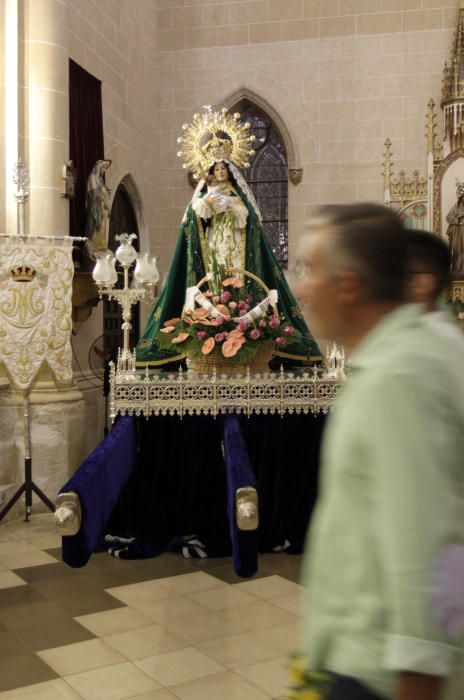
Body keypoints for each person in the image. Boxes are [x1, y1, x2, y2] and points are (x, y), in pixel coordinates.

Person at [295, 203, 464, 700]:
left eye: (311, 270)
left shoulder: (399, 379)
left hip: (378, 675)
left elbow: (427, 546)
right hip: (356, 656)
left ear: (348, 286)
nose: (302, 287)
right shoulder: (399, 357)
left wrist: (419, 675)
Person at [136, 107, 320, 367]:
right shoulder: (204, 194)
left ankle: (239, 312)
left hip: (235, 244)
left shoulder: (238, 195)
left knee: (236, 275)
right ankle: (211, 312)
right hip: (212, 247)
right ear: (210, 170)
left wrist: (233, 207)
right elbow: (193, 220)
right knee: (215, 278)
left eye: (225, 168)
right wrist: (207, 205)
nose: (221, 172)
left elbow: (249, 221)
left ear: (230, 170)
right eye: (217, 168)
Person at [85, 159, 112, 257]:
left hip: (103, 207)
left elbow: (102, 191)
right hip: (96, 208)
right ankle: (95, 247)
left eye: (105, 168)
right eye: (103, 167)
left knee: (104, 228)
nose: (103, 170)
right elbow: (92, 194)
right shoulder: (92, 178)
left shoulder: (101, 180)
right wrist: (101, 195)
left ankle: (102, 246)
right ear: (98, 167)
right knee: (97, 227)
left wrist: (106, 192)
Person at [445, 183, 464, 275]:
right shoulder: (456, 208)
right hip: (459, 234)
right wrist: (459, 219)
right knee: (458, 252)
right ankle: (458, 271)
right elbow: (448, 217)